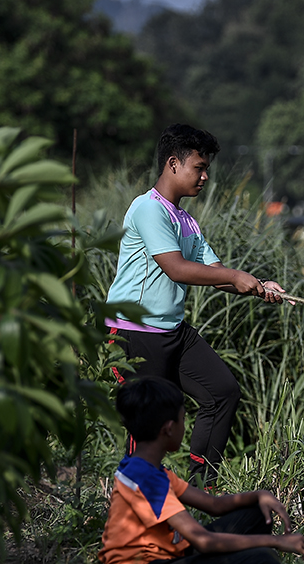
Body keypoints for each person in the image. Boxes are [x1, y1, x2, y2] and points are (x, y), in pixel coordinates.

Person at [105, 123, 288, 487]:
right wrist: (237, 277)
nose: (204, 177)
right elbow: (176, 268)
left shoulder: (187, 221)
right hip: (133, 332)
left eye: (207, 170)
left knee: (222, 392)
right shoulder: (147, 209)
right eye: (199, 168)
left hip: (172, 332)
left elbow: (216, 272)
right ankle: (132, 508)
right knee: (149, 426)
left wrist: (258, 286)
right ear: (173, 164)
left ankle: (202, 487)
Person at [99, 376, 304, 564]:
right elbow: (204, 540)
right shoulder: (145, 480)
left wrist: (258, 495)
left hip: (166, 561)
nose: (185, 425)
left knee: (254, 514)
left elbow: (214, 505)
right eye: (183, 418)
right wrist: (277, 541)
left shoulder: (150, 469)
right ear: (168, 428)